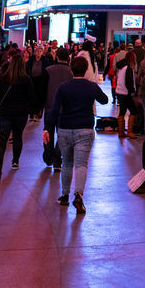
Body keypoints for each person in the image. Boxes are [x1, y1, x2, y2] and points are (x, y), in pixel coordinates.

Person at [43, 56, 108, 214]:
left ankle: (64, 195)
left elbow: (54, 110)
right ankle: (78, 195)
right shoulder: (91, 86)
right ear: (86, 70)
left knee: (66, 163)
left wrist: (46, 129)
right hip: (85, 129)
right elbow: (105, 100)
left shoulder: (63, 87)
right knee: (81, 164)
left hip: (65, 129)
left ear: (71, 69)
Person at [0, 54, 34, 170]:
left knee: (2, 139)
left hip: (4, 113)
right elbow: (31, 97)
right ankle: (15, 161)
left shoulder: (3, 78)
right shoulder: (26, 80)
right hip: (20, 113)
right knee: (17, 137)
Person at [41, 48, 74, 171]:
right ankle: (57, 159)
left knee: (47, 132)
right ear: (68, 58)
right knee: (62, 136)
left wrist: (40, 106)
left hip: (50, 107)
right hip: (65, 110)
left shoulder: (48, 70)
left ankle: (48, 156)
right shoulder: (71, 72)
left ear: (57, 57)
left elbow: (42, 90)